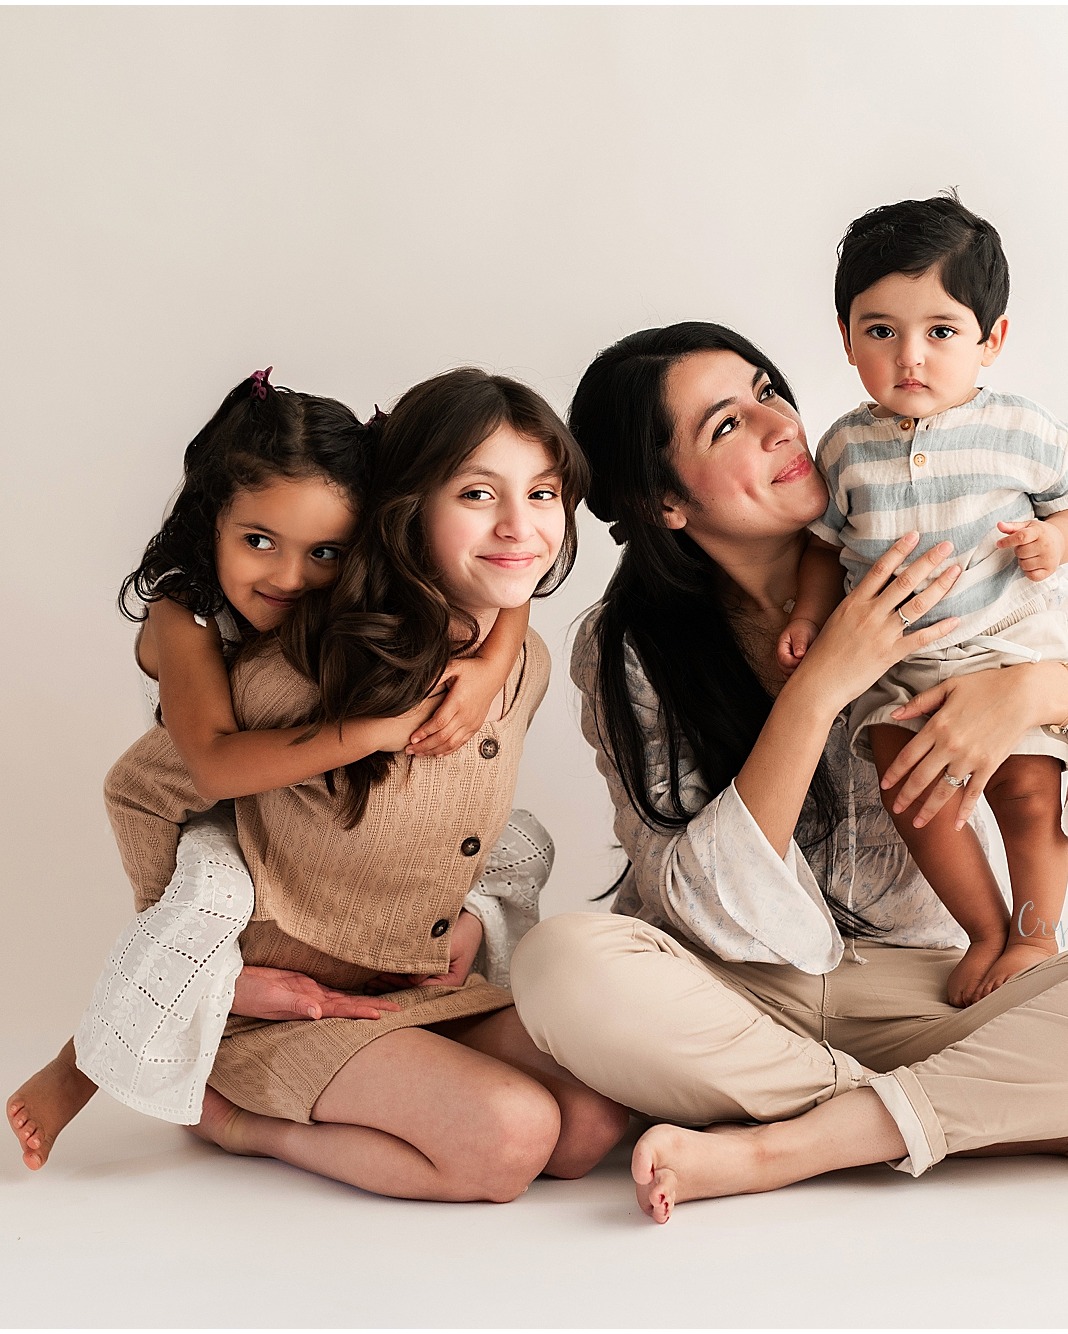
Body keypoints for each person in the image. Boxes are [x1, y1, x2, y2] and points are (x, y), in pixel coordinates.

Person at [508, 322, 1068, 1224]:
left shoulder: (936, 551)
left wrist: (1034, 689)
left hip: (937, 986)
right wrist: (824, 681)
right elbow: (698, 903)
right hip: (731, 995)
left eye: (769, 391)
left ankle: (795, 1139)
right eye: (725, 426)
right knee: (561, 963)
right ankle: (946, 1110)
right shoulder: (625, 647)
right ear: (664, 504)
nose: (778, 425)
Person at [94, 367, 628, 1202]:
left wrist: (476, 914)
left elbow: (455, 820)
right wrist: (201, 970)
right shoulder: (309, 667)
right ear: (408, 510)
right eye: (480, 494)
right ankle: (237, 1120)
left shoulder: (520, 663)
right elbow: (144, 786)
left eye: (545, 493)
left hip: (411, 983)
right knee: (509, 1141)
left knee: (592, 1125)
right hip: (281, 1005)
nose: (521, 526)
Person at [7, 369, 540, 1170]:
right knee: (199, 915)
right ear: (210, 523)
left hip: (297, 802)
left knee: (514, 843)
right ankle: (87, 1065)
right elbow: (211, 765)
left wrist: (496, 660)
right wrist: (371, 730)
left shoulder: (340, 601)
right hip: (209, 799)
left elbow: (512, 586)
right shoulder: (183, 615)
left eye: (324, 551)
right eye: (258, 541)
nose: (289, 578)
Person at [778, 194, 1068, 1006]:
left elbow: (1065, 500)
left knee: (1026, 792)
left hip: (1009, 645)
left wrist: (1056, 541)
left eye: (941, 332)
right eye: (881, 331)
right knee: (915, 795)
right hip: (901, 666)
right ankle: (984, 929)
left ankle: (1037, 930)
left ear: (991, 340)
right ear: (845, 340)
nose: (911, 356)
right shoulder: (842, 447)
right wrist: (806, 616)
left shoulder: (1021, 428)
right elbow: (820, 546)